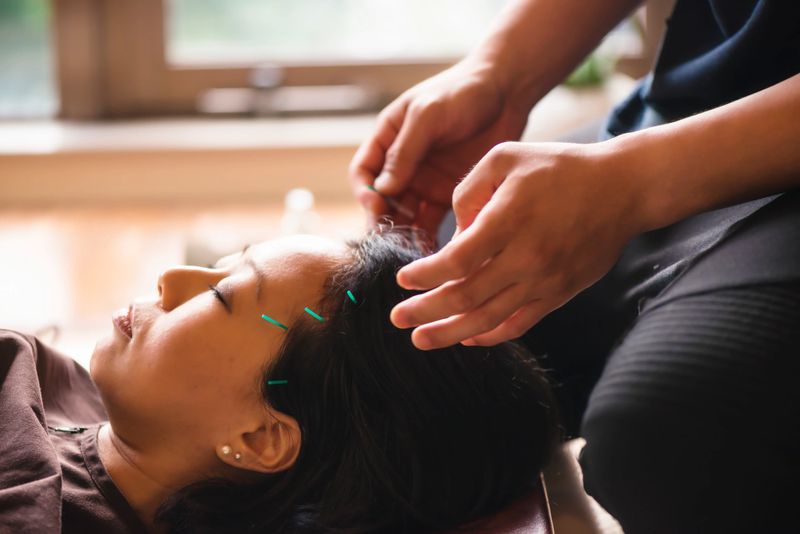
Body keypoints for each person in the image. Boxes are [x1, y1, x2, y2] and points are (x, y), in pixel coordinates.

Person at [349, 0, 800, 531]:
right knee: (441, 286)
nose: (223, 270)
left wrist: (636, 180)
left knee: (668, 445)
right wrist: (501, 74)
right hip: (698, 103)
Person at [0, 229, 558, 534]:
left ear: (259, 438)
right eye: (220, 265)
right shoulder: (54, 381)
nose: (171, 278)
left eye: (221, 296)